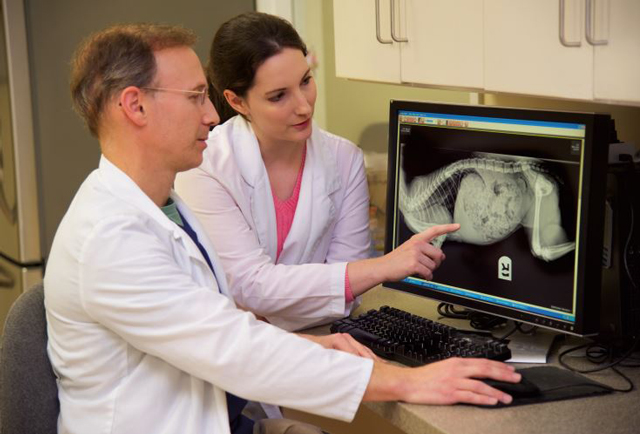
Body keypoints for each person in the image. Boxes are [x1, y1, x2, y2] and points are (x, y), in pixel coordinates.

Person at [44, 22, 520, 434]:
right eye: (195, 98)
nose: (212, 115)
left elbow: (217, 321)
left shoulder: (164, 207)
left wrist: (308, 343)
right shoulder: (110, 239)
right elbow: (233, 348)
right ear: (135, 107)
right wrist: (408, 380)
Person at [175, 12, 447, 331]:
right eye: (279, 96)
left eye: (305, 81)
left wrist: (266, 309)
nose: (304, 106)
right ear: (237, 102)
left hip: (316, 338)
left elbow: (351, 292)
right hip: (232, 352)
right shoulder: (205, 167)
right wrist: (381, 268)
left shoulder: (344, 158)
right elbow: (250, 286)